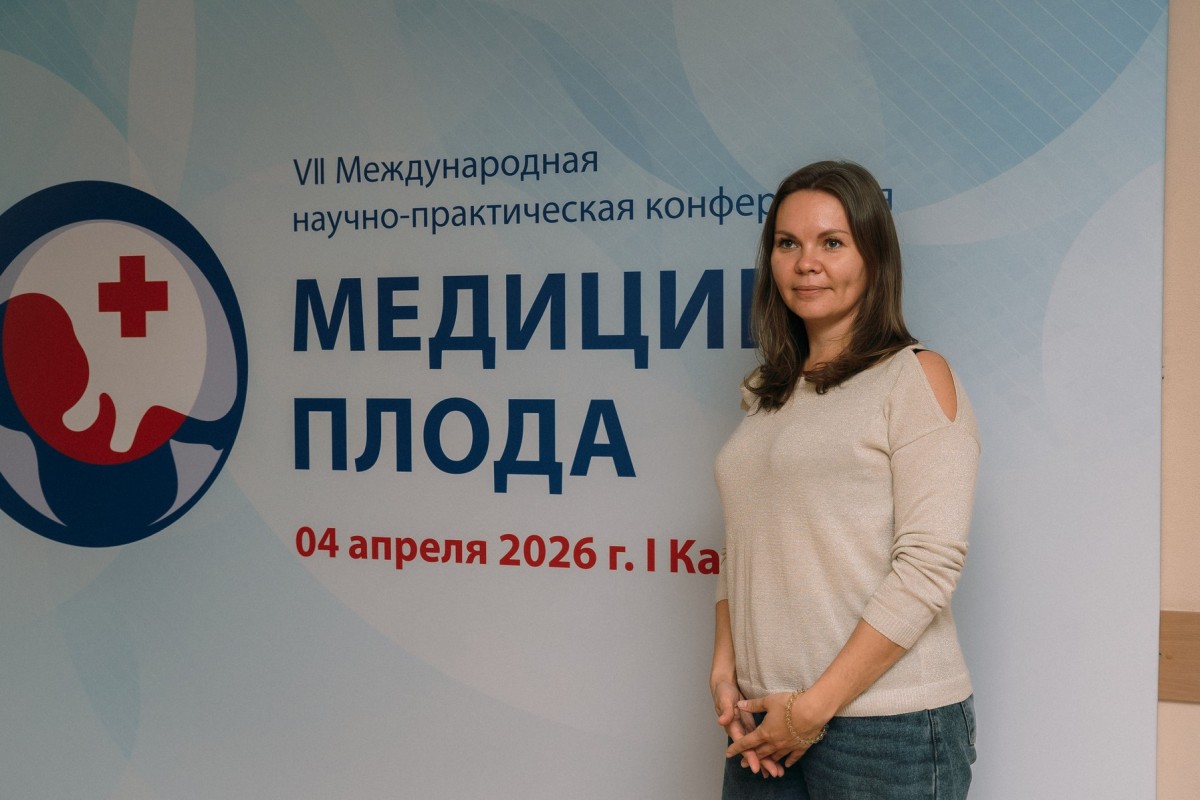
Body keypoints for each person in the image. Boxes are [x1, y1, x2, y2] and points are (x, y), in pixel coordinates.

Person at [710, 160, 979, 799]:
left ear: (874, 256)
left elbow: (928, 567)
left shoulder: (914, 377)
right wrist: (726, 667)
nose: (807, 263)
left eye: (832, 242)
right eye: (788, 243)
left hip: (887, 728)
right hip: (765, 716)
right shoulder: (766, 393)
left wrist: (813, 710)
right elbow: (746, 542)